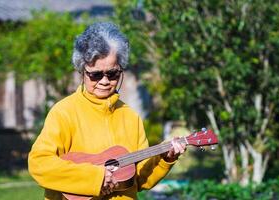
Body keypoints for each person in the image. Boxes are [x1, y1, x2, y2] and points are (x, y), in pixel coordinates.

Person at [28, 22, 186, 200]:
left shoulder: (130, 117)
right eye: (95, 74)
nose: (104, 81)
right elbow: (39, 164)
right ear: (82, 70)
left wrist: (165, 158)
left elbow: (140, 179)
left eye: (112, 74)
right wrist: (95, 178)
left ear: (121, 69)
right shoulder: (64, 112)